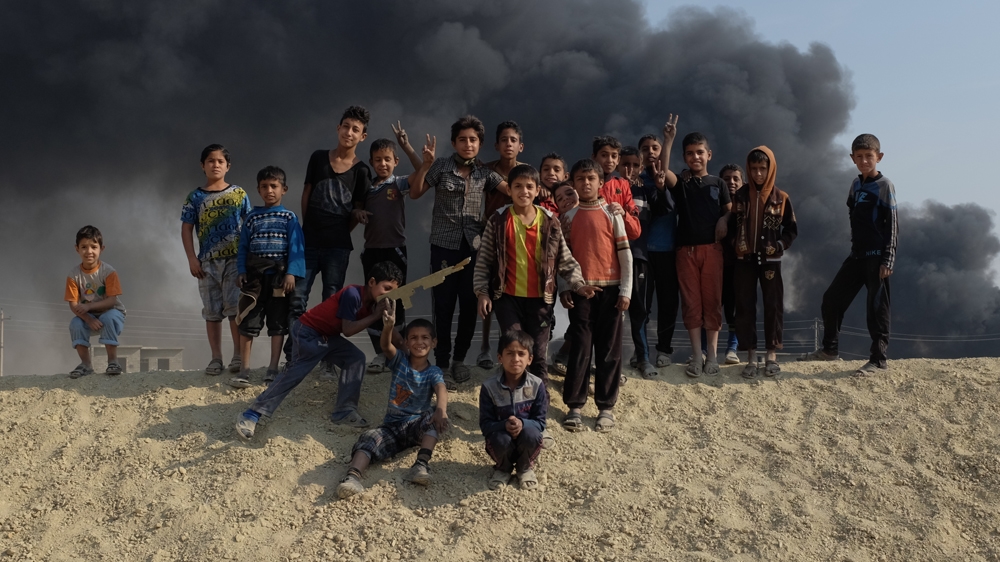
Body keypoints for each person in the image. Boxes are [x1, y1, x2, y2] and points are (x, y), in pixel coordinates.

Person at [234, 262, 404, 439]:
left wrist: (406, 346)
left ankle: (344, 411)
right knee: (295, 373)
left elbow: (395, 335)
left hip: (326, 336)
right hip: (308, 332)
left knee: (355, 358)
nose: (389, 295)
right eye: (387, 288)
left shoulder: (372, 304)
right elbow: (348, 330)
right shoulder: (353, 294)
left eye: (393, 291)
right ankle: (251, 414)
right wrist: (376, 316)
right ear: (372, 282)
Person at [409, 115, 509, 388]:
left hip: (473, 248)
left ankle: (459, 361)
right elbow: (415, 193)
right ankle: (441, 363)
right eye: (462, 139)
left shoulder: (485, 173)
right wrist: (425, 165)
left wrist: (548, 188)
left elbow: (513, 190)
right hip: (443, 245)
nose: (468, 144)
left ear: (480, 144)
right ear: (454, 143)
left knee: (469, 306)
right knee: (442, 306)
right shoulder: (440, 167)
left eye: (473, 140)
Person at [474, 164, 594, 384]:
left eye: (529, 186)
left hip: (541, 299)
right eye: (518, 186)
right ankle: (512, 394)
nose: (524, 191)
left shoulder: (549, 221)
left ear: (538, 190)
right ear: (508, 190)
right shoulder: (498, 220)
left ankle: (539, 399)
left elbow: (564, 258)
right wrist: (482, 292)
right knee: (514, 347)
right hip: (507, 297)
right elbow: (484, 261)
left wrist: (578, 284)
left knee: (537, 353)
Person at [800, 134, 896, 376]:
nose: (864, 161)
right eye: (859, 156)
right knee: (831, 299)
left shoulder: (885, 186)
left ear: (879, 157)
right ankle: (829, 351)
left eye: (869, 156)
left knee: (876, 309)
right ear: (852, 158)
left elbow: (892, 224)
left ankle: (878, 360)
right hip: (857, 256)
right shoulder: (855, 185)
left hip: (877, 258)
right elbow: (852, 211)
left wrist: (888, 259)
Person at [290, 106, 373, 372]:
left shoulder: (362, 171)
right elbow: (307, 192)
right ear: (338, 128)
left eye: (356, 129)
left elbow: (357, 209)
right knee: (297, 298)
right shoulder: (318, 159)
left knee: (332, 300)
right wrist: (307, 229)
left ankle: (328, 360)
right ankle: (295, 356)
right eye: (346, 126)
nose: (349, 132)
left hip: (338, 246)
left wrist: (339, 232)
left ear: (363, 137)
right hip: (309, 242)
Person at [336, 310, 449, 498]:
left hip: (416, 426)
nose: (419, 342)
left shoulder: (434, 371)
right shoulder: (400, 361)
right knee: (370, 437)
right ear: (405, 342)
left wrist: (441, 410)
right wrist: (388, 327)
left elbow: (441, 388)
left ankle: (421, 464)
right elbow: (386, 346)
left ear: (434, 343)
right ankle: (352, 477)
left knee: (432, 416)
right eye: (413, 337)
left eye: (425, 338)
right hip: (391, 427)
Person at [559, 159, 632, 433]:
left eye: (591, 178)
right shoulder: (568, 217)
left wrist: (626, 290)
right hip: (582, 291)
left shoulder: (613, 213)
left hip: (612, 290)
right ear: (573, 184)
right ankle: (575, 406)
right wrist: (566, 287)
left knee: (610, 351)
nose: (586, 183)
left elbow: (626, 255)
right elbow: (562, 258)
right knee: (580, 348)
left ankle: (605, 407)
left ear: (601, 182)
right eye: (580, 179)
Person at [357, 125, 436, 374]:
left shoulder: (398, 183)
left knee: (397, 300)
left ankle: (397, 352)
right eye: (378, 160)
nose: (382, 164)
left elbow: (421, 172)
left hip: (395, 250)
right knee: (372, 302)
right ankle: (380, 354)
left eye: (387, 159)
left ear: (395, 161)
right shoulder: (366, 188)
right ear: (371, 162)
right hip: (372, 250)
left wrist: (407, 146)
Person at [658, 115, 732, 378]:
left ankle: (712, 355)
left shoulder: (719, 184)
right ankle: (696, 356)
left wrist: (724, 218)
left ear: (709, 154)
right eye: (689, 153)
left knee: (712, 302)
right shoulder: (682, 183)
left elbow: (730, 211)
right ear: (684, 156)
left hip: (712, 250)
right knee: (691, 303)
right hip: (685, 251)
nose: (695, 157)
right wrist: (668, 141)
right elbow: (662, 173)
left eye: (700, 152)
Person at [228, 166, 306, 388]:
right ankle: (244, 369)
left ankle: (272, 368)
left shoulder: (289, 217)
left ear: (284, 189)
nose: (269, 190)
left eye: (274, 186)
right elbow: (243, 247)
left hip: (278, 279)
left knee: (277, 324)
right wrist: (241, 270)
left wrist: (291, 273)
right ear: (258, 189)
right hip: (254, 280)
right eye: (264, 186)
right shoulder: (251, 218)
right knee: (247, 321)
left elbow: (296, 247)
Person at [181, 144, 252, 376]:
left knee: (234, 308)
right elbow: (186, 229)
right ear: (203, 165)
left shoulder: (238, 193)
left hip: (234, 260)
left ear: (228, 166)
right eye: (211, 161)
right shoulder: (195, 197)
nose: (215, 165)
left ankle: (237, 356)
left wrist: (248, 257)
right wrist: (192, 258)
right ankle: (216, 358)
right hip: (207, 263)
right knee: (212, 311)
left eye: (220, 161)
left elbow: (249, 224)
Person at [730, 147, 797, 378]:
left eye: (762, 168)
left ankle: (771, 355)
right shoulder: (739, 196)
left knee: (773, 305)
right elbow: (730, 225)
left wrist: (778, 245)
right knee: (745, 306)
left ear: (770, 169)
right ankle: (750, 355)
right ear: (748, 169)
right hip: (744, 261)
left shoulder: (782, 198)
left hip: (770, 262)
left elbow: (791, 230)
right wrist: (735, 243)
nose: (758, 174)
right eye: (754, 169)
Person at [477, 121, 527, 370]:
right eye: (504, 140)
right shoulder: (486, 170)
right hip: (490, 234)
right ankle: (485, 347)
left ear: (521, 146)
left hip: (519, 239)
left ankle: (512, 349)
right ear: (497, 145)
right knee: (488, 290)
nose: (509, 144)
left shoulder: (526, 173)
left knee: (511, 293)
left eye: (513, 140)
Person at [479, 330, 548, 490]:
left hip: (526, 438)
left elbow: (540, 422)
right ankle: (503, 468)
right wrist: (504, 425)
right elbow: (485, 425)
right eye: (510, 353)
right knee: (499, 439)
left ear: (529, 359)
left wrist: (522, 424)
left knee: (532, 434)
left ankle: (524, 468)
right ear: (500, 358)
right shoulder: (489, 387)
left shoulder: (537, 385)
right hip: (502, 437)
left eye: (521, 354)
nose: (515, 359)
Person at [638, 134, 679, 369]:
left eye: (655, 148)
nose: (650, 152)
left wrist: (669, 140)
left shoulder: (673, 181)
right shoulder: (637, 182)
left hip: (669, 251)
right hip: (642, 253)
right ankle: (640, 352)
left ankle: (664, 350)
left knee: (668, 303)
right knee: (642, 305)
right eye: (645, 149)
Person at [619, 146, 659, 379]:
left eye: (635, 165)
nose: (630, 169)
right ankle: (606, 361)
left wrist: (660, 185)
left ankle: (643, 358)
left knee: (639, 310)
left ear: (641, 168)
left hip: (638, 257)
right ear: (617, 165)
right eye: (625, 163)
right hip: (610, 259)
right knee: (611, 312)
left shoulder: (645, 192)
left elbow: (667, 207)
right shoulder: (607, 189)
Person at [66, 225, 127, 378]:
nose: (89, 251)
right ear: (77, 249)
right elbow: (73, 304)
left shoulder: (108, 272)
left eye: (94, 247)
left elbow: (112, 300)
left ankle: (113, 361)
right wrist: (87, 318)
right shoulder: (74, 275)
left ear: (101, 248)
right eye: (84, 247)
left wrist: (90, 307)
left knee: (108, 317)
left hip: (113, 314)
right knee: (75, 323)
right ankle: (86, 365)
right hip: (88, 317)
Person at [718, 164, 746, 364]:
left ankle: (732, 349)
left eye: (736, 178)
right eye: (727, 179)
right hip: (715, 263)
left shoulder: (748, 204)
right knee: (710, 308)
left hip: (739, 265)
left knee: (735, 310)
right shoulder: (712, 201)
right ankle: (703, 349)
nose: (732, 182)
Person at [591, 135, 641, 240]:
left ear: (618, 160)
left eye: (614, 156)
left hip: (614, 250)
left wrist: (623, 213)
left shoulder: (623, 185)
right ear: (594, 157)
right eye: (604, 155)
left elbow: (635, 232)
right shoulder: (585, 184)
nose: (610, 160)